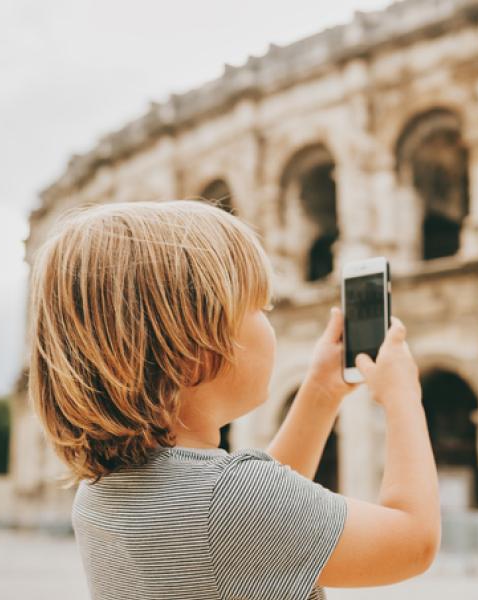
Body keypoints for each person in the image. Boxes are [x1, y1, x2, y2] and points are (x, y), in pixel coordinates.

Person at [27, 200, 440, 600]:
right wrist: (403, 396)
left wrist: (320, 391)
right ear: (195, 346)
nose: (270, 322)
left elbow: (253, 518)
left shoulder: (98, 494)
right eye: (261, 307)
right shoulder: (231, 502)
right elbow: (414, 541)